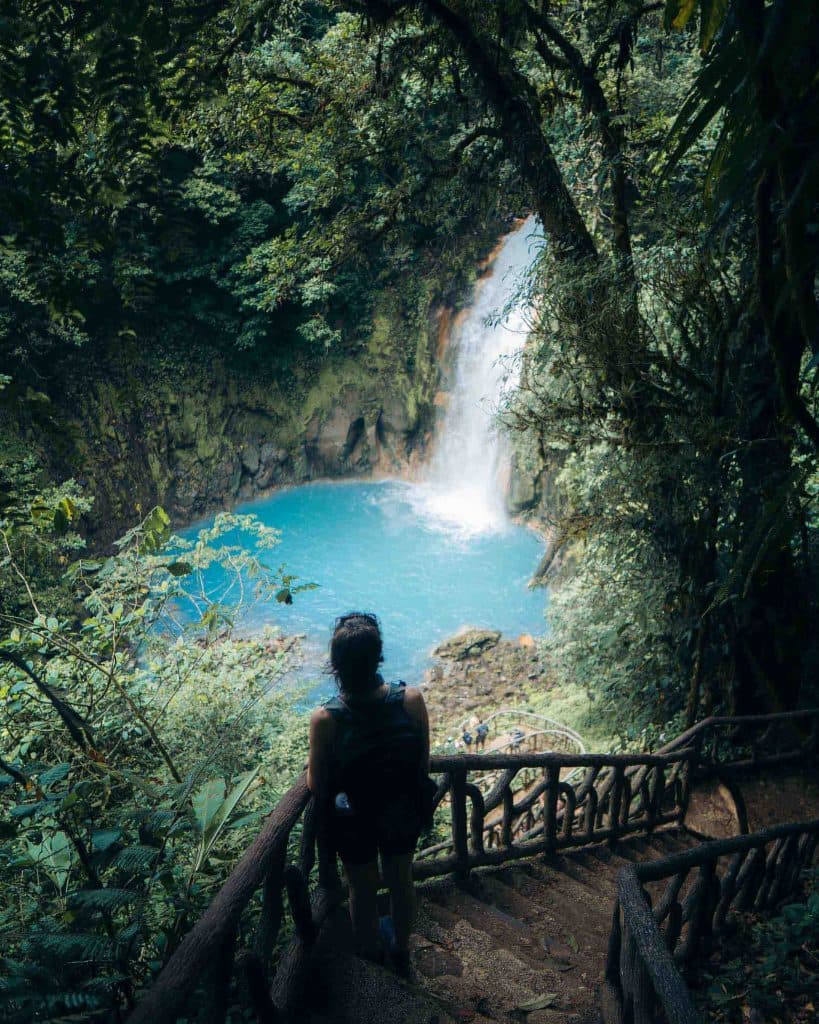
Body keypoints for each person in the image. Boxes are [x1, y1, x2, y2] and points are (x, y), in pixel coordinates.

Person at [307, 612, 431, 976]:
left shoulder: (326, 719)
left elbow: (316, 784)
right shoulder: (411, 699)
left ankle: (371, 956)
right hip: (402, 810)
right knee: (401, 880)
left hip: (356, 819)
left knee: (361, 889)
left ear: (336, 665)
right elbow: (422, 763)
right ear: (378, 657)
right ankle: (402, 950)